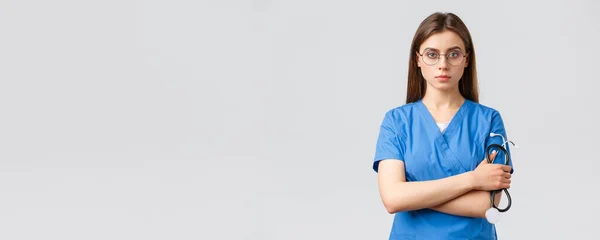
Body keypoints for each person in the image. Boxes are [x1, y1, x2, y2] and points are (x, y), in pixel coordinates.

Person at [372, 12, 515, 239]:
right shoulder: (397, 122)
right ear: (417, 59)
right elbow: (392, 199)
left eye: (453, 54)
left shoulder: (488, 121)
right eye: (432, 54)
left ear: (466, 59)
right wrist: (473, 180)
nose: (443, 65)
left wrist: (413, 194)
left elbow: (486, 204)